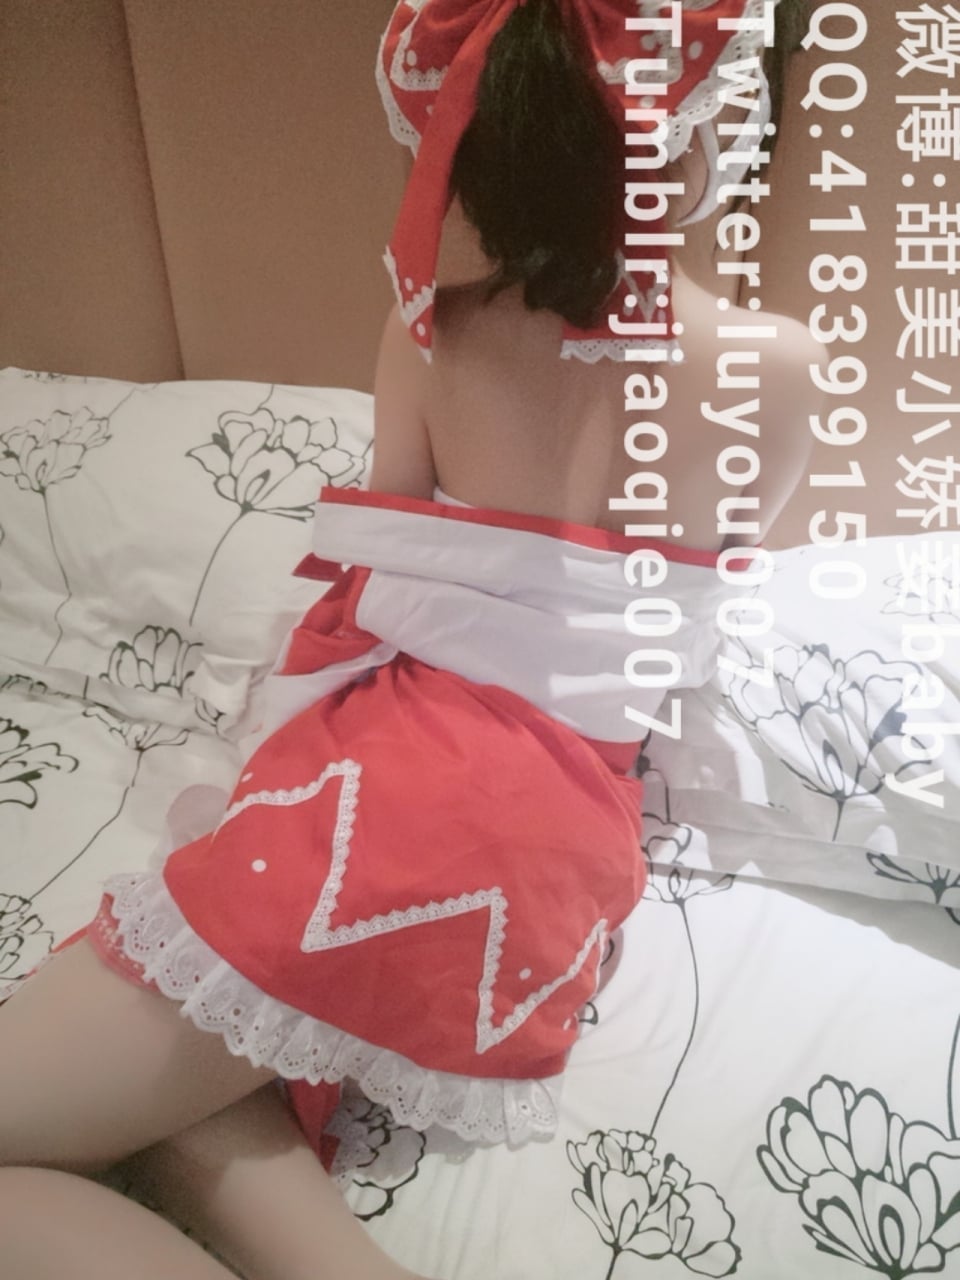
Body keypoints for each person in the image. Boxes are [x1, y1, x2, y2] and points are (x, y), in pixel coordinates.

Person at [0, 2, 823, 1278]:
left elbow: (377, 563)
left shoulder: (432, 330)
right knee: (196, 1071)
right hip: (564, 850)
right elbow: (703, 589)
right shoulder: (782, 366)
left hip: (393, 801)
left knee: (145, 1027)